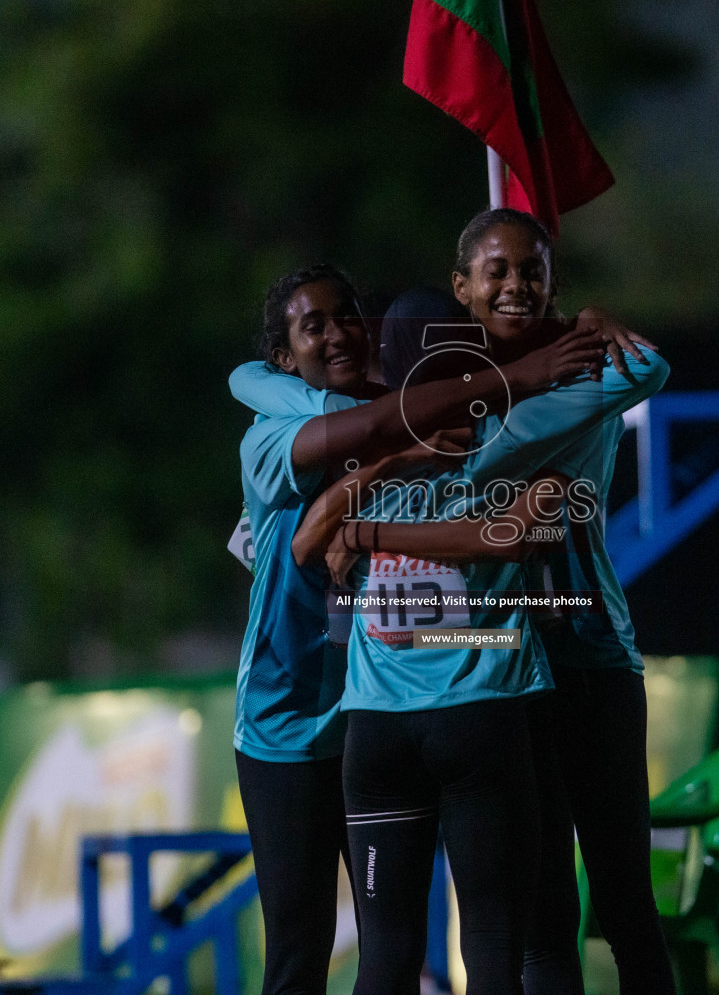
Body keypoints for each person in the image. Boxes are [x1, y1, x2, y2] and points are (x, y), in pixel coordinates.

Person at [279, 211, 669, 995]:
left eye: (532, 272)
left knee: (611, 903)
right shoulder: (476, 414)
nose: (516, 286)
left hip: (571, 662)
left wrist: (366, 524)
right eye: (496, 273)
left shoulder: (538, 395)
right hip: (509, 679)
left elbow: (313, 541)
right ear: (463, 296)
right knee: (538, 920)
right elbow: (510, 525)